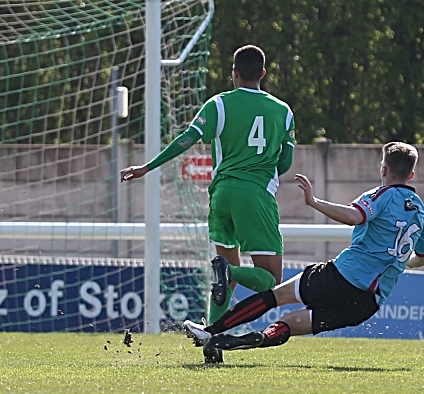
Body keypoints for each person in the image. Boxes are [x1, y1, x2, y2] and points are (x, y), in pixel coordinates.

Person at [120, 45, 295, 363]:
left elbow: (187, 138)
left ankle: (212, 340)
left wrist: (147, 167)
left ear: (234, 72)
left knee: (223, 274)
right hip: (255, 196)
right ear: (264, 74)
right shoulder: (283, 111)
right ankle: (229, 273)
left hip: (220, 195)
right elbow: (285, 163)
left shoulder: (219, 104)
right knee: (270, 279)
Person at [183, 142, 424, 356]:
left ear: (383, 169)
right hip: (368, 303)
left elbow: (355, 216)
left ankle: (210, 331)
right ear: (411, 174)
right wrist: (404, 263)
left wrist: (314, 201)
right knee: (291, 323)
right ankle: (261, 338)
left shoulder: (381, 195)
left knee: (274, 297)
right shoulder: (420, 213)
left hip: (341, 276)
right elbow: (418, 258)